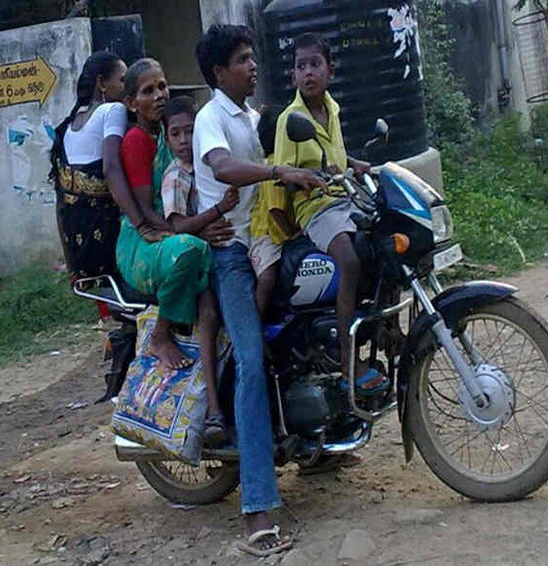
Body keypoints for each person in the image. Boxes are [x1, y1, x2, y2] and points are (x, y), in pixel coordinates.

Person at [193, 24, 325, 556]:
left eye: (253, 58)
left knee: (304, 325)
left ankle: (324, 441)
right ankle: (257, 509)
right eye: (243, 60)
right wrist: (277, 170)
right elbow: (223, 167)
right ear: (220, 71)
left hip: (270, 239)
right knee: (251, 361)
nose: (253, 66)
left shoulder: (255, 116)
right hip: (231, 254)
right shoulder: (210, 119)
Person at [272, 32, 385, 392]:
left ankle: (387, 329)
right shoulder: (290, 120)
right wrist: (306, 180)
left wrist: (354, 163)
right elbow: (283, 174)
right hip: (315, 208)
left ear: (330, 71)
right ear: (292, 76)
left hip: (343, 198)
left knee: (385, 243)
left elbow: (331, 153)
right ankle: (348, 357)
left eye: (314, 65)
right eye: (300, 66)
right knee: (349, 261)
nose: (307, 73)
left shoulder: (331, 109)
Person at [115, 58, 232, 373]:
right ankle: (161, 335)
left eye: (162, 86)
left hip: (178, 226)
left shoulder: (171, 130)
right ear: (131, 103)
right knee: (190, 251)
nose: (159, 95)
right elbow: (147, 210)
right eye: (147, 91)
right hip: (145, 238)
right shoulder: (138, 141)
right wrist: (193, 231)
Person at [159, 95, 239, 442]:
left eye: (189, 132)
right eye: (175, 133)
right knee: (208, 317)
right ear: (166, 138)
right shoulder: (175, 176)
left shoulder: (211, 161)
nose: (182, 140)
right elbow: (178, 227)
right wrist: (216, 212)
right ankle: (214, 411)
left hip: (222, 248)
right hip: (195, 262)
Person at [49, 51, 160, 282]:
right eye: (122, 80)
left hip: (79, 242)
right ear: (101, 83)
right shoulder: (113, 110)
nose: (128, 85)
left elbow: (61, 203)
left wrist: (71, 264)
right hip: (106, 234)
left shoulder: (69, 125)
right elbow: (110, 168)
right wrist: (141, 224)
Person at [249, 105, 295, 318]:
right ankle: (256, 323)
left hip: (278, 233)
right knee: (268, 276)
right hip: (266, 235)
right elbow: (276, 210)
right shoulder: (274, 167)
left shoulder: (284, 163)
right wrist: (293, 234)